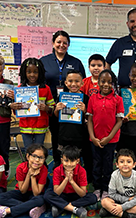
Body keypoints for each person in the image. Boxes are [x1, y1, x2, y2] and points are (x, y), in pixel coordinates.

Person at [40, 30, 86, 165]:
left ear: (69, 45)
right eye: (59, 42)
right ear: (53, 43)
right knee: (56, 135)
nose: (62, 45)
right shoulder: (44, 61)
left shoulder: (76, 62)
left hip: (72, 107)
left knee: (74, 136)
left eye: (65, 43)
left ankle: (76, 163)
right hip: (52, 106)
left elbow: (82, 84)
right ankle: (57, 163)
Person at [87, 69, 124, 201]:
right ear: (98, 82)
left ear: (113, 83)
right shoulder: (92, 98)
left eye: (109, 82)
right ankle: (97, 188)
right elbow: (90, 120)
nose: (106, 84)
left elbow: (119, 121)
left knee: (108, 164)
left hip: (111, 140)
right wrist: (92, 137)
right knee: (96, 164)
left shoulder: (117, 99)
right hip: (95, 140)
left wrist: (108, 138)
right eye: (103, 81)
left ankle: (106, 188)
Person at [0, 144, 48, 218]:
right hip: (21, 193)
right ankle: (31, 207)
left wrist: (33, 177)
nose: (37, 160)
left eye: (41, 158)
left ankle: (6, 210)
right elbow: (23, 190)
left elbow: (36, 193)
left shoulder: (43, 169)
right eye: (34, 156)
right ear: (27, 156)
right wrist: (28, 174)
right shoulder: (21, 168)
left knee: (40, 200)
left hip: (33, 195)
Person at [54, 70, 92, 181]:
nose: (73, 84)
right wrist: (57, 109)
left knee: (78, 159)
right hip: (64, 134)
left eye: (77, 81)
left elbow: (89, 118)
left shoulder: (85, 98)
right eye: (70, 81)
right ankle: (63, 179)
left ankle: (79, 179)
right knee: (64, 158)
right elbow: (57, 116)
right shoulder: (61, 97)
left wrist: (84, 111)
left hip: (79, 136)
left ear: (82, 83)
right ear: (66, 83)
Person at [44, 146, 97, 218]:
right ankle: (75, 209)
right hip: (62, 195)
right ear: (62, 160)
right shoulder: (57, 170)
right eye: (66, 161)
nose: (69, 164)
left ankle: (61, 207)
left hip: (76, 196)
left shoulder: (82, 171)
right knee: (47, 195)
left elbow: (82, 194)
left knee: (93, 198)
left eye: (72, 161)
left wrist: (72, 181)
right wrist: (66, 179)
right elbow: (57, 192)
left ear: (77, 161)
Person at [12, 58, 54, 150]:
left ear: (40, 73)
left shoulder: (45, 89)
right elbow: (16, 111)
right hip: (25, 126)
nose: (32, 75)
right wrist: (14, 107)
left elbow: (52, 108)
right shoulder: (19, 89)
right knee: (28, 150)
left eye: (35, 72)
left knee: (39, 150)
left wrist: (46, 108)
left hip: (41, 126)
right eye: (29, 72)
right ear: (24, 73)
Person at [99, 149, 136, 218]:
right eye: (122, 162)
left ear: (134, 164)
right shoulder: (114, 175)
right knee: (104, 201)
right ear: (117, 164)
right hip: (118, 201)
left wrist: (122, 207)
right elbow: (111, 194)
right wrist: (126, 200)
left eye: (129, 162)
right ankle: (129, 217)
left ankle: (110, 211)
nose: (125, 164)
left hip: (131, 203)